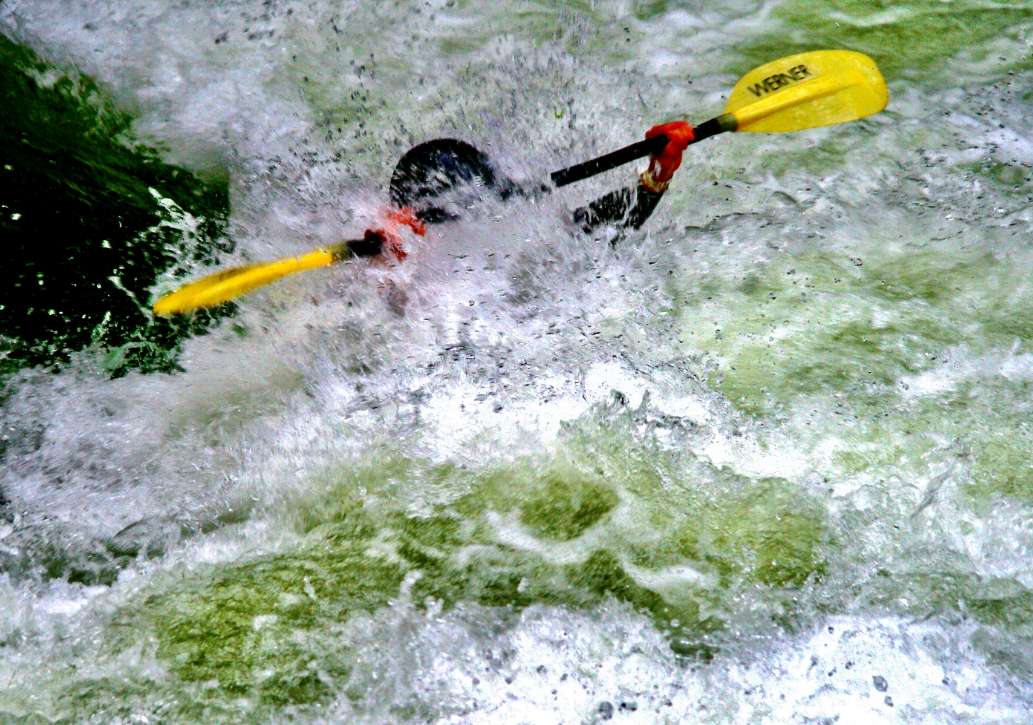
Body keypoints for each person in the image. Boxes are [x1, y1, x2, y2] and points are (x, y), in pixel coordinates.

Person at [347, 121, 695, 260]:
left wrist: (659, 172)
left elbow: (603, 228)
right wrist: (384, 260)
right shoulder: (380, 242)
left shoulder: (520, 248)